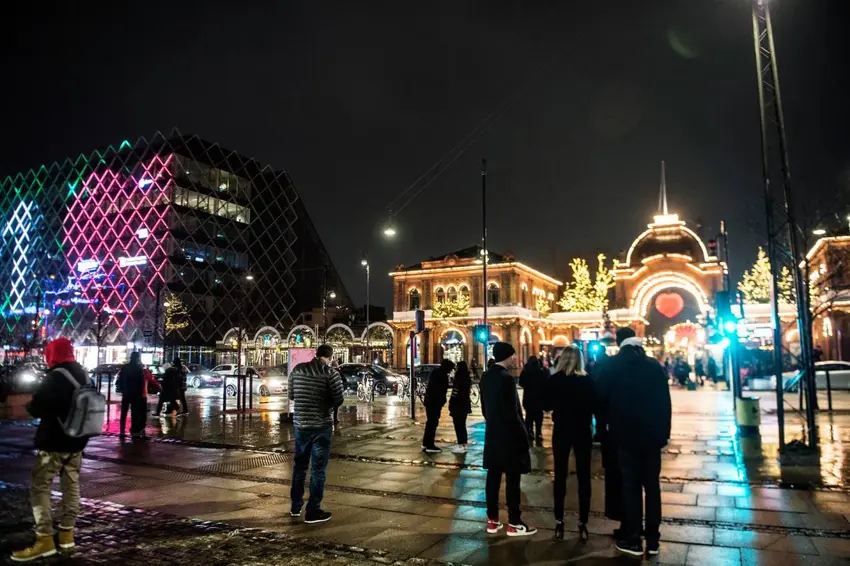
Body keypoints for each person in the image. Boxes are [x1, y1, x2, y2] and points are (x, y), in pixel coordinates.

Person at [11, 339, 89, 561]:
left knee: (40, 486)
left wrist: (30, 404)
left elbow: (39, 407)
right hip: (77, 441)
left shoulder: (56, 377)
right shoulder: (83, 374)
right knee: (71, 486)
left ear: (53, 354)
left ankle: (44, 539)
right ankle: (66, 536)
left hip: (55, 442)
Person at [597, 328, 671, 557]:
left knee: (630, 487)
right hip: (652, 438)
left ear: (620, 343)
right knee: (652, 488)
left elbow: (600, 399)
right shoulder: (653, 366)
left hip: (624, 437)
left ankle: (633, 539)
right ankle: (653, 540)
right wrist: (663, 434)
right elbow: (665, 402)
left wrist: (607, 424)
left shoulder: (612, 365)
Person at [481, 342, 536, 537]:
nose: (514, 358)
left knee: (493, 477)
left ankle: (492, 520)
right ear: (506, 355)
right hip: (509, 435)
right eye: (512, 355)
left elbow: (485, 409)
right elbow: (513, 412)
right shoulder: (507, 378)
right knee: (513, 479)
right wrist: (523, 435)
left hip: (493, 434)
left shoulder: (486, 376)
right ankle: (514, 522)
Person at [288, 344, 344, 524]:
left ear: (316, 354)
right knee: (318, 469)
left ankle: (295, 506)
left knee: (300, 466)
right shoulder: (330, 374)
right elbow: (339, 399)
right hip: (321, 426)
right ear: (330, 357)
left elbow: (291, 395)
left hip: (301, 425)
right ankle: (313, 510)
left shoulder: (297, 370)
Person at [545, 345, 595, 541]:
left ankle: (559, 519)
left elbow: (546, 405)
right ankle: (583, 521)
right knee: (584, 476)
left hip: (562, 429)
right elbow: (596, 405)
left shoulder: (555, 380)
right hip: (582, 430)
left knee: (560, 474)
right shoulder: (587, 380)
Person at [422, 359, 455, 453]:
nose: (450, 371)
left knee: (430, 423)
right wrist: (442, 401)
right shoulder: (442, 375)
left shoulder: (436, 372)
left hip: (430, 401)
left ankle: (426, 442)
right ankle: (430, 445)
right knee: (433, 423)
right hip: (434, 402)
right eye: (450, 369)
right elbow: (441, 390)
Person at [116, 352, 147, 438]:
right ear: (137, 358)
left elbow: (120, 379)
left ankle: (122, 430)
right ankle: (133, 429)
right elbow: (141, 382)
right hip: (135, 394)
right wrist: (141, 393)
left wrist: (122, 389)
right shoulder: (138, 368)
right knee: (134, 412)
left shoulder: (125, 367)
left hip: (126, 392)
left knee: (124, 412)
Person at [518, 356, 547, 446]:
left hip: (528, 398)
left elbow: (521, 382)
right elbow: (545, 383)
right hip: (539, 398)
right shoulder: (540, 372)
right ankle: (538, 432)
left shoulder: (526, 372)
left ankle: (529, 431)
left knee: (529, 416)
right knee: (539, 417)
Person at [448, 360, 472, 454]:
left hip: (458, 405)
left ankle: (461, 445)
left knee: (458, 426)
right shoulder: (467, 377)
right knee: (462, 425)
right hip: (464, 405)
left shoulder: (459, 378)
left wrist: (451, 403)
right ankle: (463, 444)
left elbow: (455, 393)